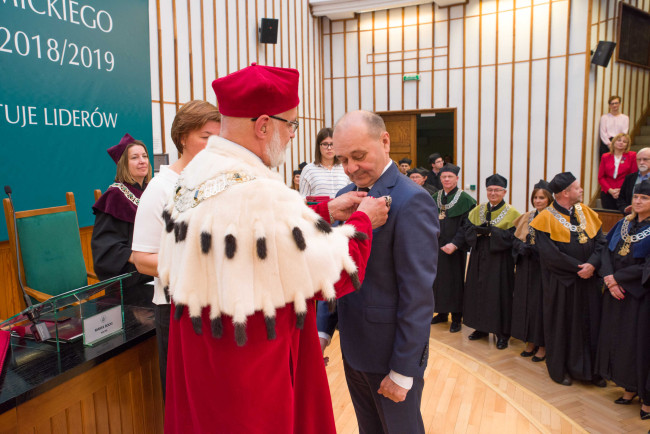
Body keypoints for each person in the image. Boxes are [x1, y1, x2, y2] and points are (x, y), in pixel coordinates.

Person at [158, 64, 389, 434]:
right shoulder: (258, 191)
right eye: (292, 125)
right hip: (247, 364)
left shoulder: (195, 173)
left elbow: (249, 235)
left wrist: (321, 211)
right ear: (264, 126)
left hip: (202, 352)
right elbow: (331, 272)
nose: (294, 135)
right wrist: (362, 222)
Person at [318, 110, 439, 434]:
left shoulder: (412, 200)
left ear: (384, 142)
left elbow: (418, 296)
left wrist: (403, 369)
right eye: (343, 159)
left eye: (358, 156)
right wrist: (323, 329)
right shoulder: (348, 194)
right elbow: (336, 264)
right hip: (354, 346)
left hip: (390, 354)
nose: (351, 167)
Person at [132, 100, 221, 399]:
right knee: (185, 402)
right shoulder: (160, 188)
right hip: (177, 310)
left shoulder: (214, 183)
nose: (214, 146)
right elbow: (142, 260)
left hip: (216, 305)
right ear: (183, 137)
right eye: (206, 137)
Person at [530, 172, 607, 386]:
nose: (581, 190)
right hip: (562, 284)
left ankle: (592, 372)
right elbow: (550, 255)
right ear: (566, 192)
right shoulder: (544, 218)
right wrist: (579, 269)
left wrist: (592, 265)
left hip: (589, 282)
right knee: (562, 326)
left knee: (591, 325)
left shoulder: (586, 212)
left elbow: (601, 241)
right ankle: (560, 370)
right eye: (578, 187)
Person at [596, 179, 650, 420]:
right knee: (618, 339)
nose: (638, 201)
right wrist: (609, 278)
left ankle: (645, 398)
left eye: (644, 198)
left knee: (636, 343)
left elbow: (647, 266)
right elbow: (605, 252)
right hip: (614, 291)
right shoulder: (622, 224)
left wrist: (618, 279)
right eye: (636, 197)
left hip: (639, 295)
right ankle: (627, 388)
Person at [463, 174, 521, 349]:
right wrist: (478, 232)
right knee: (477, 290)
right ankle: (481, 328)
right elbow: (467, 230)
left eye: (497, 190)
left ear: (504, 192)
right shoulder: (477, 210)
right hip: (479, 256)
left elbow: (513, 238)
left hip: (500, 260)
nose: (493, 193)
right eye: (489, 190)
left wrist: (491, 233)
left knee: (498, 294)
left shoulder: (512, 213)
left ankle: (502, 333)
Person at [91, 133, 153, 291]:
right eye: (134, 157)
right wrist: (144, 260)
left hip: (154, 271)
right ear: (123, 164)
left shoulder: (151, 191)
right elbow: (106, 249)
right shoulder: (114, 197)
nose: (142, 161)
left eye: (144, 156)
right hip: (131, 279)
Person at [430, 163, 476, 332]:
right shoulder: (435, 197)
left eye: (450, 177)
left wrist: (455, 244)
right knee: (438, 281)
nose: (447, 179)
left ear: (457, 179)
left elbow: (467, 226)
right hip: (436, 247)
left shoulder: (466, 200)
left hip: (455, 249)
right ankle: (441, 313)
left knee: (454, 282)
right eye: (444, 177)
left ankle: (456, 317)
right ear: (440, 178)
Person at [511, 180, 553, 362]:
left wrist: (536, 250)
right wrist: (520, 247)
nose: (538, 201)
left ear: (549, 199)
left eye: (541, 197)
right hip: (525, 267)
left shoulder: (554, 218)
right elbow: (515, 238)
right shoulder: (527, 216)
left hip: (542, 268)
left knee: (539, 305)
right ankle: (529, 341)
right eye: (535, 197)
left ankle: (542, 344)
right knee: (525, 303)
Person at [299, 127, 350, 198]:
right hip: (317, 209)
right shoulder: (308, 170)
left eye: (332, 144)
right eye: (325, 144)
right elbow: (303, 199)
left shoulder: (346, 167)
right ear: (318, 146)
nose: (329, 148)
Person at [598, 133, 637, 210]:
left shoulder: (632, 156)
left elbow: (633, 176)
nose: (621, 143)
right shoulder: (605, 156)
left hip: (624, 193)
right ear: (614, 142)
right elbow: (601, 177)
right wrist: (610, 190)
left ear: (627, 145)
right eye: (619, 140)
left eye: (624, 141)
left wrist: (621, 190)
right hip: (607, 192)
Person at [616, 148, 650, 214]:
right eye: (639, 160)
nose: (641, 162)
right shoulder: (629, 178)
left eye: (645, 159)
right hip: (631, 218)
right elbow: (621, 199)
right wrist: (625, 209)